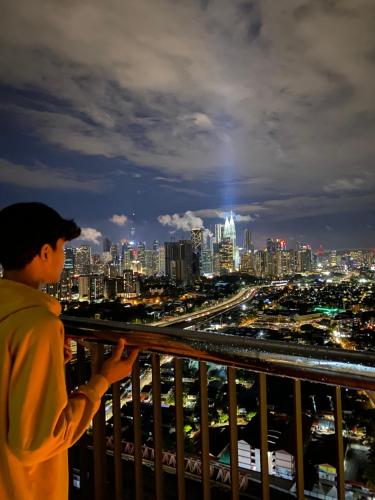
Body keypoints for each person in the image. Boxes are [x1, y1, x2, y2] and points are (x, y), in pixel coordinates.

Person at [0, 202, 139, 500]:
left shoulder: (12, 315)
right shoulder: (37, 325)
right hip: (21, 487)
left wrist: (46, 361)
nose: (64, 258)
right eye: (62, 248)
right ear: (45, 252)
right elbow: (35, 443)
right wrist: (101, 380)